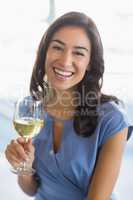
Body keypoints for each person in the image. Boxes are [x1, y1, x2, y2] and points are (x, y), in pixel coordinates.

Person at [5, 11, 133, 200]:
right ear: (45, 52)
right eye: (57, 48)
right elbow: (30, 190)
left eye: (79, 53)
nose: (65, 61)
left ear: (90, 63)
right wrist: (24, 167)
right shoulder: (30, 109)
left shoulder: (112, 120)